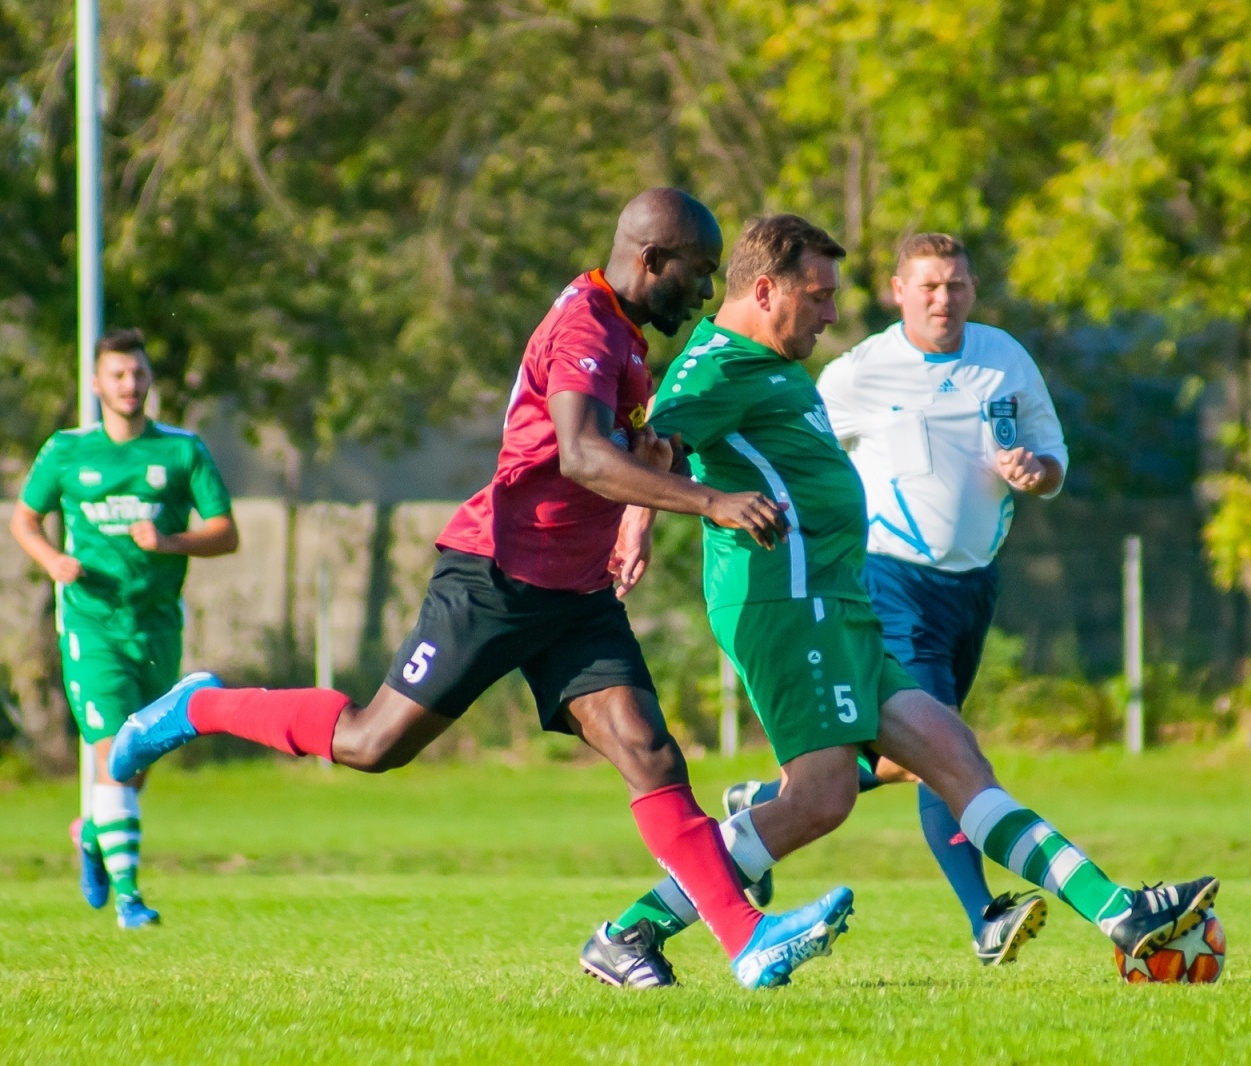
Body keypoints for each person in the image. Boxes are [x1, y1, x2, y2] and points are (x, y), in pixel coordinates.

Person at [109, 189, 851, 990]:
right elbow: (580, 456)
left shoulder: (625, 332)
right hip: (497, 576)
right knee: (372, 744)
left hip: (575, 595)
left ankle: (747, 942)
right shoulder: (586, 325)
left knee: (649, 751)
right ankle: (198, 707)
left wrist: (653, 452)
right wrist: (710, 500)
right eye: (697, 273)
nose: (705, 292)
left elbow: (608, 447)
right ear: (651, 260)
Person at [585, 213, 1218, 985]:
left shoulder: (775, 359)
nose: (831, 313)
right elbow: (652, 449)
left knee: (955, 756)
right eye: (818, 296)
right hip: (788, 605)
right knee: (820, 799)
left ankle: (1123, 913)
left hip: (841, 604)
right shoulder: (713, 368)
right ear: (766, 290)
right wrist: (638, 522)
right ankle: (630, 932)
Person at [720, 232, 1068, 965]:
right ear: (898, 291)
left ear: (974, 289)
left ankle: (764, 804)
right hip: (890, 581)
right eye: (930, 286)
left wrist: (1038, 471)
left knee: (920, 749)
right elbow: (790, 442)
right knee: (944, 749)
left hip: (974, 583)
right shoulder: (860, 371)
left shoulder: (1004, 358)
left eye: (957, 285)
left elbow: (1053, 454)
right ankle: (985, 918)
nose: (945, 299)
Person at [10, 329, 240, 929]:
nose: (129, 384)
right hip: (91, 624)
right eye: (117, 374)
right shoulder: (66, 451)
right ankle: (131, 900)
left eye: (137, 373)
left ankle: (93, 833)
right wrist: (51, 560)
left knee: (132, 764)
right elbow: (25, 519)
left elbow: (226, 533)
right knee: (110, 752)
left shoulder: (181, 451)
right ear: (96, 383)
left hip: (156, 625)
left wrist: (170, 542)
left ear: (149, 379)